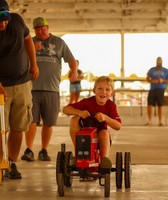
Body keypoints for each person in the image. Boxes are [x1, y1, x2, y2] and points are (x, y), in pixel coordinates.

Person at [21, 17, 77, 162]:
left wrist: (74, 70)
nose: (40, 31)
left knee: (48, 122)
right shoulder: (29, 42)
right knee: (31, 121)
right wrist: (32, 49)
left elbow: (71, 59)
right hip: (32, 88)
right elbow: (19, 59)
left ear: (48, 27)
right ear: (34, 30)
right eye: (37, 29)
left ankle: (44, 150)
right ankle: (29, 149)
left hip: (52, 89)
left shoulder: (59, 42)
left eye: (43, 28)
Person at [0, 0, 39, 179]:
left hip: (22, 83)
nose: (2, 23)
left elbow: (28, 39)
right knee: (1, 128)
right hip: (1, 87)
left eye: (4, 18)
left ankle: (11, 162)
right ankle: (0, 163)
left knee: (19, 126)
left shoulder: (16, 21)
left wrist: (34, 64)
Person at [63, 76, 121, 168]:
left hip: (101, 137)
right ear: (94, 91)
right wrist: (79, 112)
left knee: (105, 133)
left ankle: (104, 160)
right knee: (74, 119)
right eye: (100, 89)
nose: (103, 92)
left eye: (107, 89)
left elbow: (118, 126)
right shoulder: (87, 102)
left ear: (112, 93)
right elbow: (66, 109)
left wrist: (106, 118)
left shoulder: (111, 105)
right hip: (84, 136)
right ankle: (79, 153)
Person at [146, 57, 168, 126]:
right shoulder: (152, 70)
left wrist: (163, 81)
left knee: (160, 105)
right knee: (149, 104)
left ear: (162, 62)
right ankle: (150, 121)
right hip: (152, 89)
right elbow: (147, 78)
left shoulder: (165, 70)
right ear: (156, 62)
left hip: (161, 89)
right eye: (158, 61)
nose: (159, 62)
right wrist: (152, 81)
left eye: (160, 61)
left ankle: (160, 121)